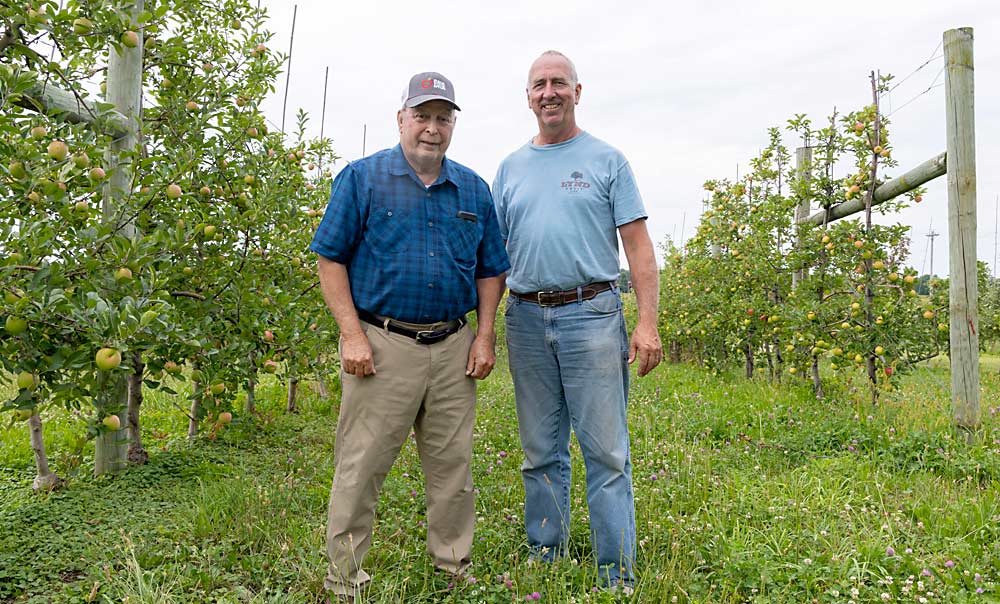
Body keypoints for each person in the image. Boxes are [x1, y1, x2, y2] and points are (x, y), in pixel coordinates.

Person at [310, 71, 509, 603]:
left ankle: (453, 569)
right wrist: (351, 336)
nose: (432, 128)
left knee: (453, 469)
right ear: (401, 119)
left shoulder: (473, 189)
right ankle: (345, 578)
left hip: (452, 347)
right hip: (382, 344)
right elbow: (330, 259)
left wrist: (484, 336)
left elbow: (491, 270)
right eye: (422, 116)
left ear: (453, 126)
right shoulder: (362, 179)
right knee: (362, 465)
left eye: (443, 118)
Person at [491, 51, 663, 588]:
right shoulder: (510, 168)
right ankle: (547, 554)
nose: (549, 93)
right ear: (527, 96)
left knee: (606, 452)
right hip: (525, 318)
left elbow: (638, 248)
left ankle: (615, 573)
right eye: (539, 84)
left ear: (577, 91)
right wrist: (484, 332)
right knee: (540, 450)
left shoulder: (607, 160)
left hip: (592, 315)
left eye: (558, 83)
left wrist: (647, 322)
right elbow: (494, 258)